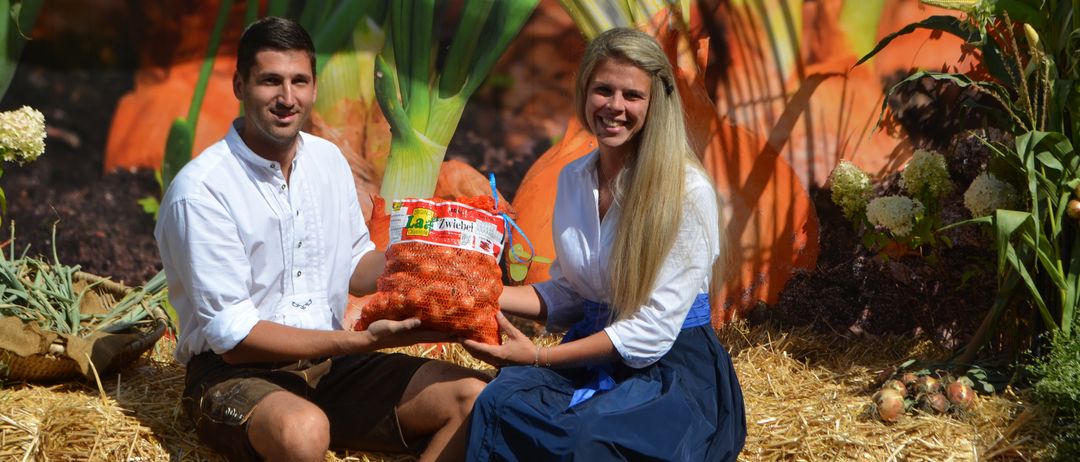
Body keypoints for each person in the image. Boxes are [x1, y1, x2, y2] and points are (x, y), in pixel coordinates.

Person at [155, 17, 488, 462]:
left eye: (299, 81)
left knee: (473, 396)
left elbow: (356, 261)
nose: (287, 98)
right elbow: (235, 343)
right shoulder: (201, 191)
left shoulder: (328, 160)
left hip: (332, 367)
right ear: (239, 85)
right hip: (234, 376)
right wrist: (361, 342)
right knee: (304, 431)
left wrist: (430, 265)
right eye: (270, 81)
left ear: (314, 87)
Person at [462, 27, 746, 461]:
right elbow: (576, 292)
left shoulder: (687, 191)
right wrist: (482, 294)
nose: (615, 106)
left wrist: (539, 356)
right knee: (500, 402)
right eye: (603, 90)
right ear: (584, 93)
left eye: (632, 95)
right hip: (593, 351)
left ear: (655, 106)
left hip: (670, 371)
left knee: (589, 439)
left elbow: (651, 331)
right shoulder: (573, 179)